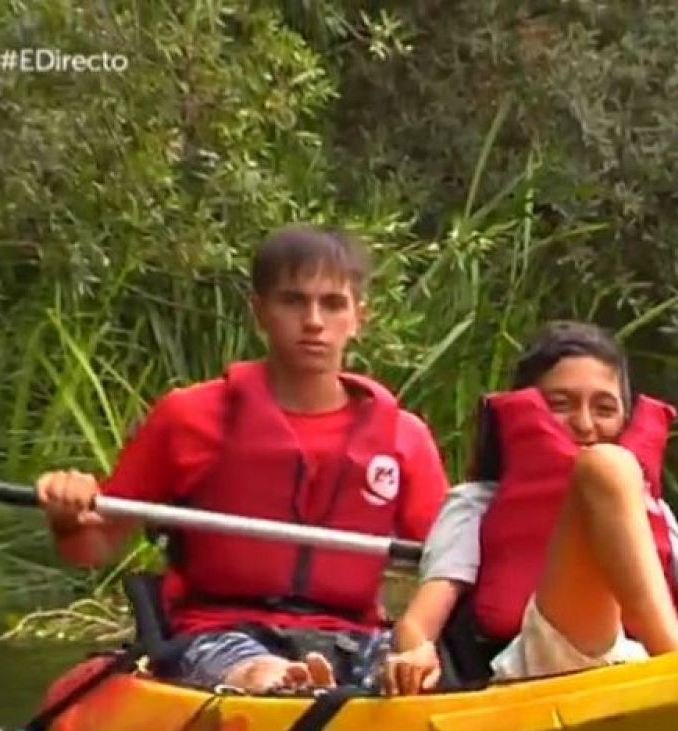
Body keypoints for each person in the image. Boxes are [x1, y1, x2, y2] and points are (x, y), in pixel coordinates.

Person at [35, 224, 450, 693]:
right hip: (216, 632)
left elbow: (448, 567)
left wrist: (417, 643)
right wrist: (68, 517)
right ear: (259, 312)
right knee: (260, 672)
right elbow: (91, 549)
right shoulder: (188, 416)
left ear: (359, 317)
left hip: (355, 639)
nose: (314, 321)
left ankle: (320, 690)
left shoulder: (404, 437)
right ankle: (282, 684)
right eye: (292, 301)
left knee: (416, 676)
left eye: (333, 304)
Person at [382, 321, 678, 695]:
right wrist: (414, 653)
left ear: (625, 417)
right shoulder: (477, 501)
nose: (584, 424)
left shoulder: (650, 507)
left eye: (604, 408)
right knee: (606, 466)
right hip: (551, 664)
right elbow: (418, 623)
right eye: (560, 404)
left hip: (647, 662)